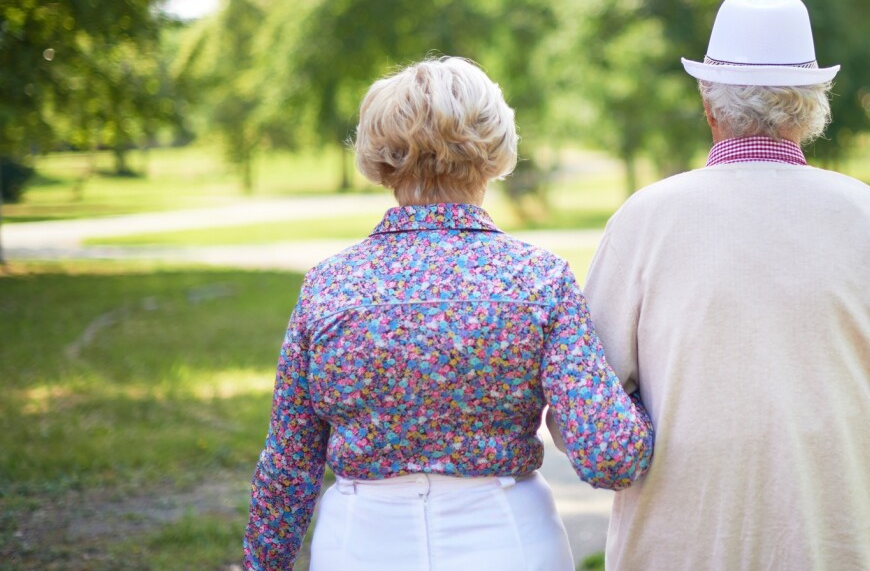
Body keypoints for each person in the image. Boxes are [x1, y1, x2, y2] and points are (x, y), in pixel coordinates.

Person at [579, 0, 870, 571]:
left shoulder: (642, 222)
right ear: (812, 107)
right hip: (843, 551)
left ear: (708, 105)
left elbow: (582, 411)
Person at [243, 56, 653, 571]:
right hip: (509, 538)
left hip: (360, 541)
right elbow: (611, 455)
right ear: (495, 148)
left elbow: (289, 464)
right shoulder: (538, 279)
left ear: (379, 154)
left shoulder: (329, 286)